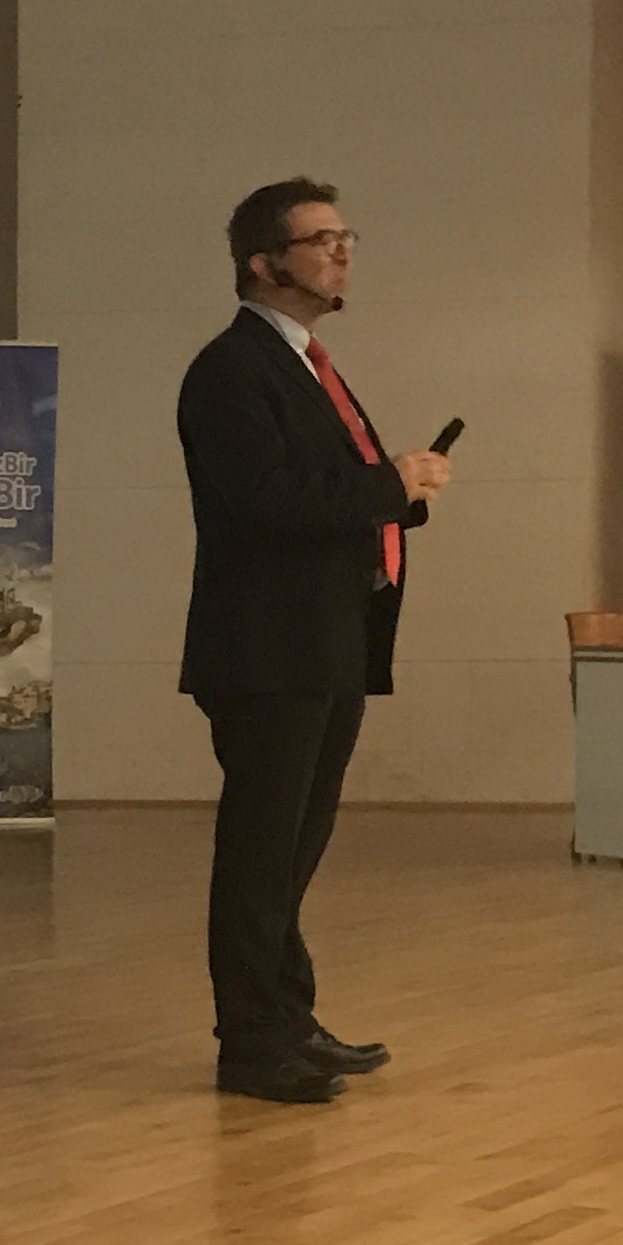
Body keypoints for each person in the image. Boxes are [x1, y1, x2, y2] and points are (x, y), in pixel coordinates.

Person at [176, 178, 453, 1105]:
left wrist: (399, 495)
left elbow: (329, 490)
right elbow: (262, 499)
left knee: (293, 851)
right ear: (264, 263)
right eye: (321, 239)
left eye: (346, 237)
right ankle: (254, 1046)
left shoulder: (304, 364)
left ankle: (290, 1021)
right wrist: (387, 485)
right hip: (268, 648)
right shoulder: (231, 369)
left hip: (326, 640)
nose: (342, 251)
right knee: (262, 855)